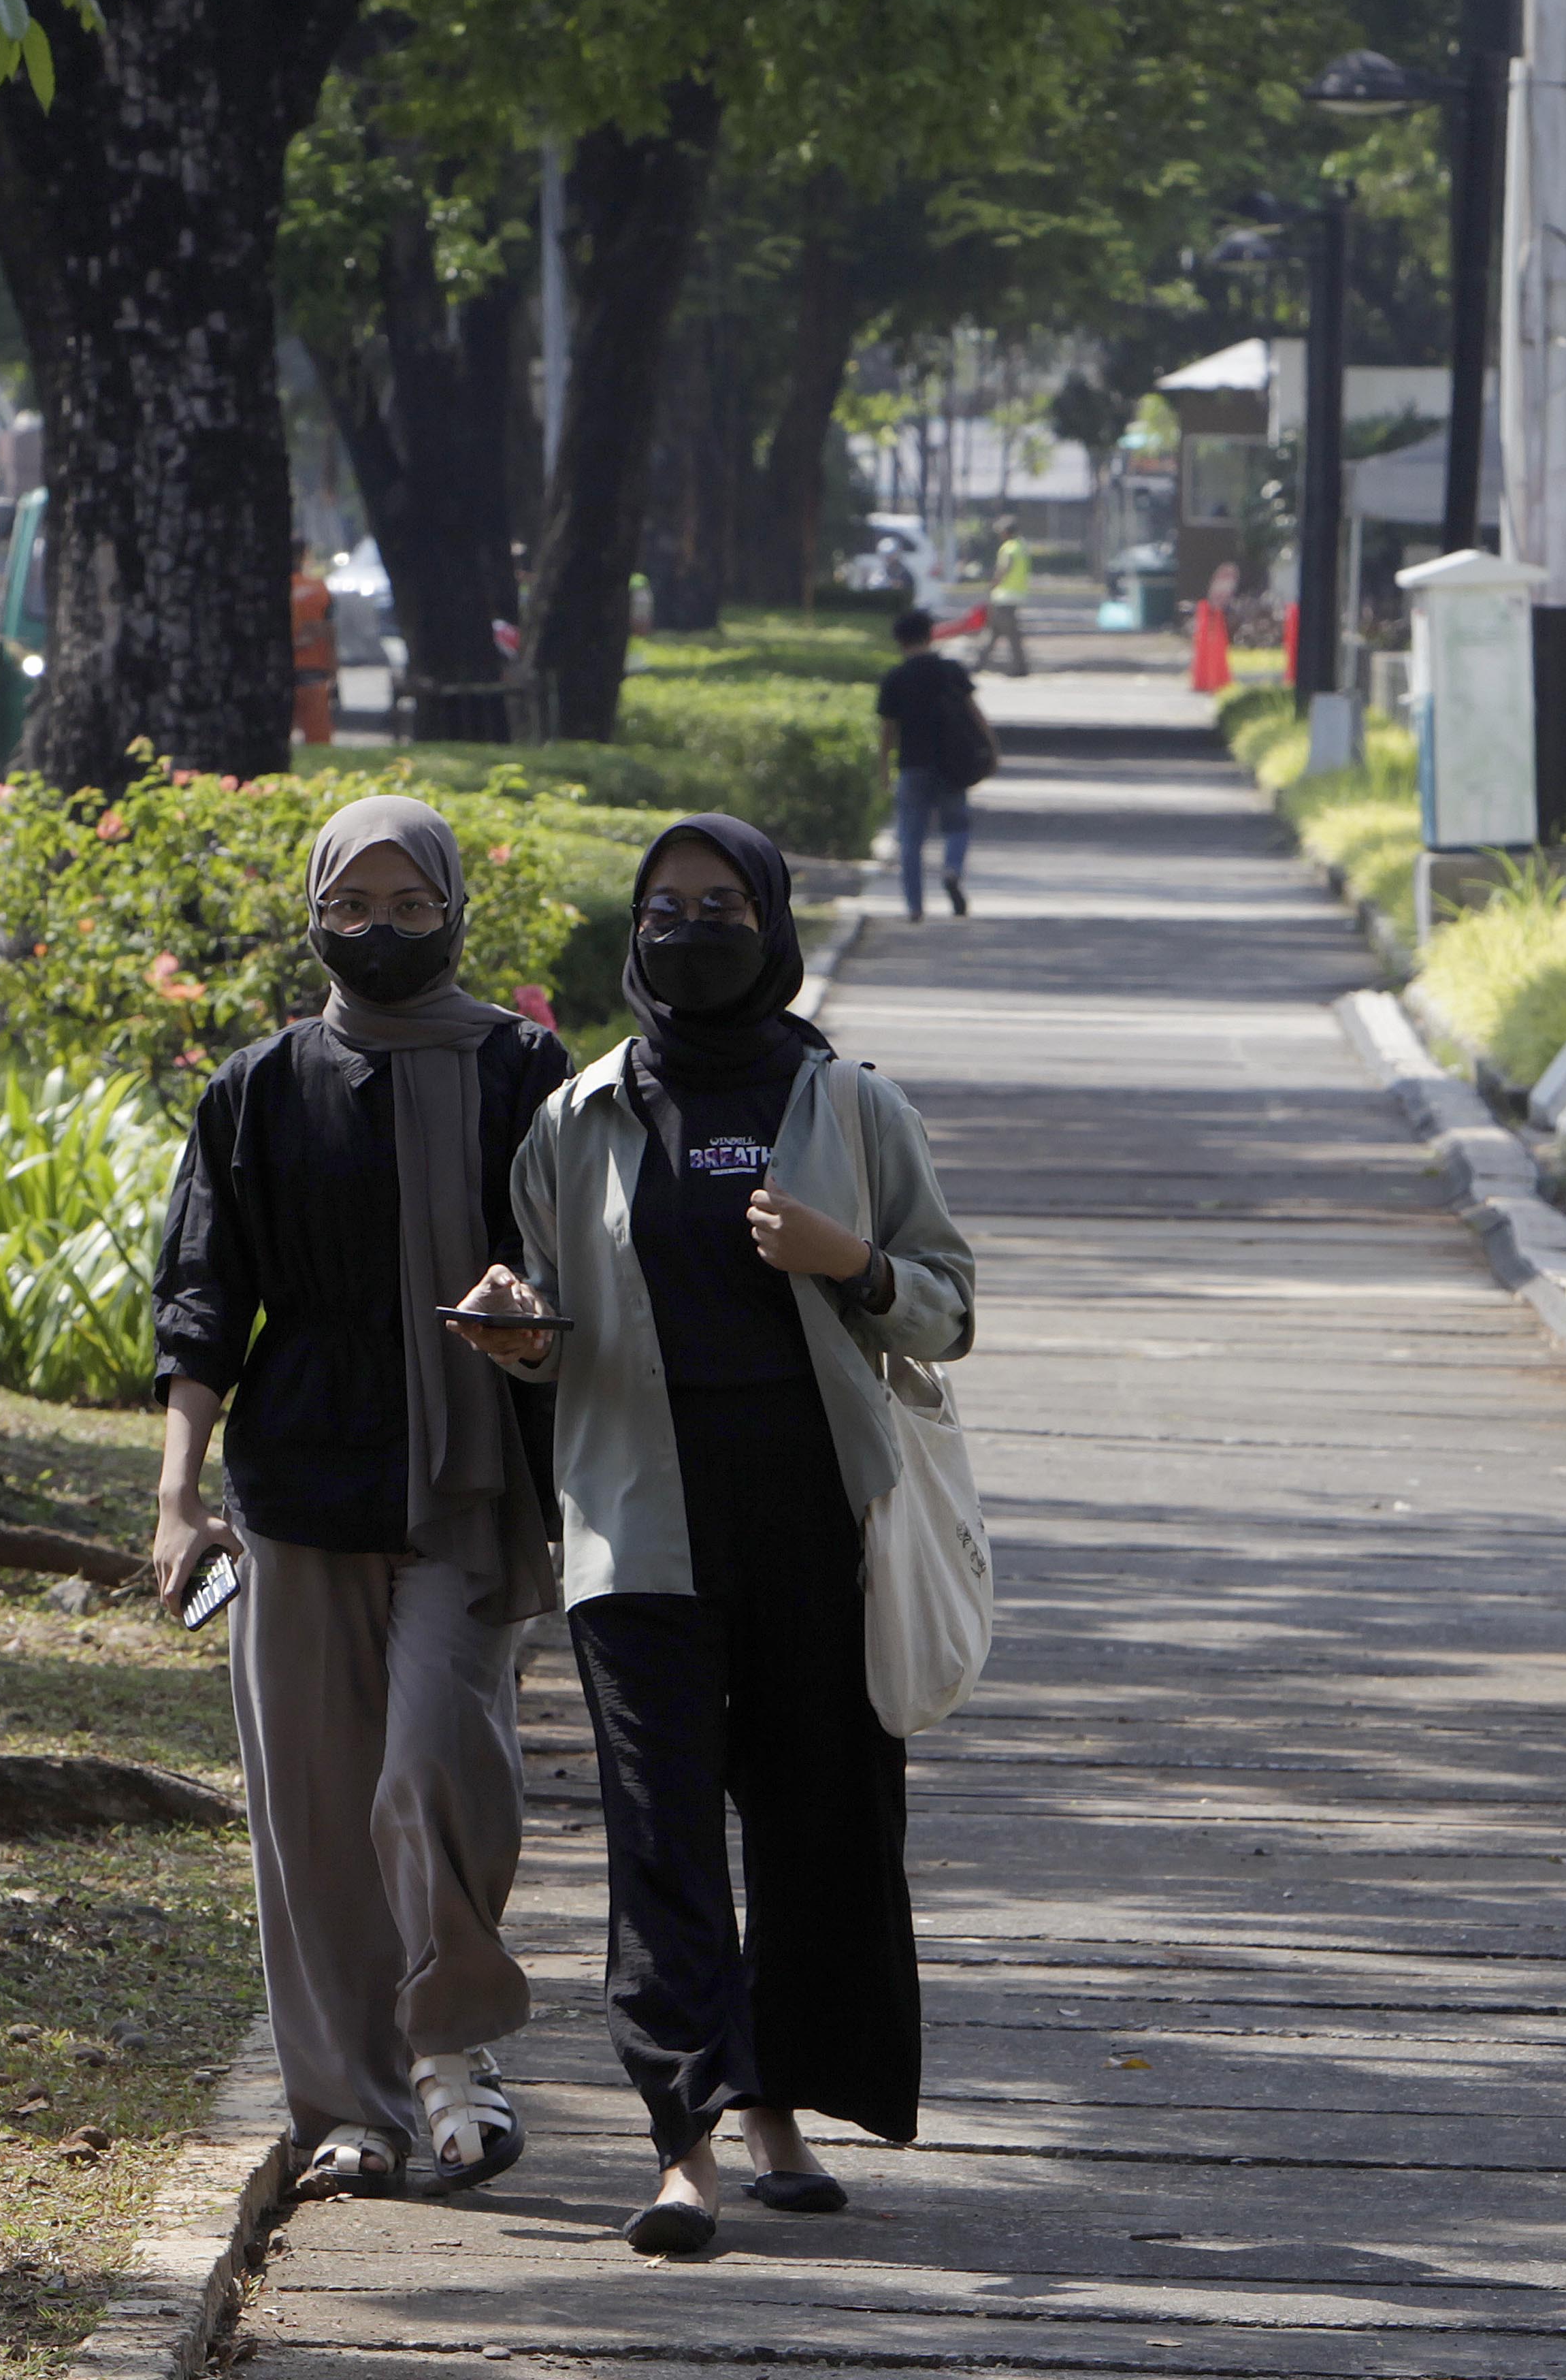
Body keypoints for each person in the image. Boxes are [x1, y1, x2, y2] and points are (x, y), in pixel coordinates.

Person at [448, 815, 975, 2257]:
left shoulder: (852, 1105)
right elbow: (556, 1316)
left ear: (774, 919)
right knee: (662, 1839)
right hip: (640, 1528)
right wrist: (516, 1333)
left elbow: (950, 1302)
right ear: (635, 930)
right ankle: (682, 2141)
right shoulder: (580, 1118)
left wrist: (849, 1261)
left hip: (823, 1527)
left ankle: (779, 2111)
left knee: (818, 1827)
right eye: (665, 907)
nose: (692, 928)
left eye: (723, 902)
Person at [151, 796, 572, 2202]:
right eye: (354, 908)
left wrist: (532, 1325)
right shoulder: (261, 1088)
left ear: (454, 910)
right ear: (313, 913)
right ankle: (351, 2108)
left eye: (410, 907)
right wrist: (176, 1500)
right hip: (298, 1484)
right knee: (315, 1811)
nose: (381, 932)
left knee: (434, 1765)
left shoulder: (524, 1071)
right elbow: (204, 1305)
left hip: (466, 1482)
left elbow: (575, 1272)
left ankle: (454, 2056)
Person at [875, 609, 984, 922]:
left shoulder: (895, 678)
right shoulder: (951, 671)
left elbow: (888, 731)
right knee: (958, 826)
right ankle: (952, 869)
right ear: (930, 634)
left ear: (899, 641)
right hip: (952, 763)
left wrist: (884, 768)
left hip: (912, 765)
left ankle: (914, 906)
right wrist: (991, 748)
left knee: (910, 838)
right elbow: (974, 713)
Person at [291, 546, 341, 745]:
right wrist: (334, 669)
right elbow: (329, 632)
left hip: (272, 674)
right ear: (304, 556)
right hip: (313, 671)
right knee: (318, 739)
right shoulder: (320, 590)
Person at [977, 514, 1032, 676]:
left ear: (1007, 532)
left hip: (1004, 597)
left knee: (1005, 633)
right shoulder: (1022, 546)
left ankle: (1018, 668)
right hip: (1015, 596)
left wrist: (994, 583)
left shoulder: (1009, 548)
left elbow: (1004, 569)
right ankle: (980, 663)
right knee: (999, 632)